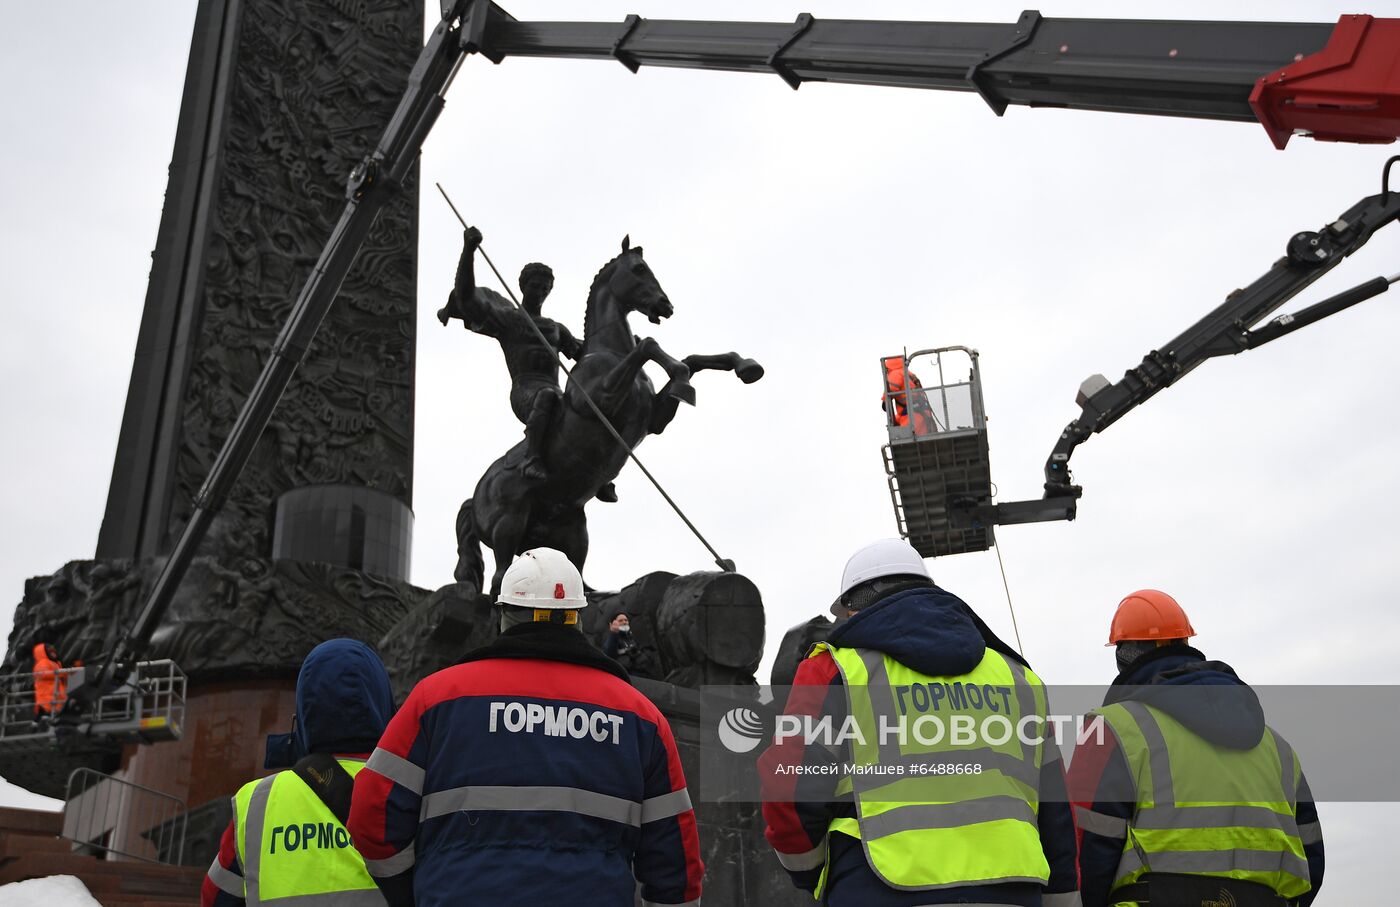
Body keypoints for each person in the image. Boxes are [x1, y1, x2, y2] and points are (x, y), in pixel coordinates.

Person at [349, 547, 703, 907]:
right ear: (577, 618)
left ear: (503, 616)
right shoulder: (641, 717)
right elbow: (677, 867)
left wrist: (408, 893)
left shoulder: (437, 699)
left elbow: (372, 817)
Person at [759, 539, 1079, 906]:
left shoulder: (834, 670)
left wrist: (813, 871)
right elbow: (1056, 816)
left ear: (850, 611)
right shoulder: (1019, 678)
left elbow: (789, 788)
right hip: (1012, 893)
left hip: (875, 890)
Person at [1068, 590, 1324, 907]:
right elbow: (1311, 855)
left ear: (1127, 655)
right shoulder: (1277, 748)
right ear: (1186, 644)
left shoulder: (1113, 729)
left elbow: (1085, 848)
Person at [202, 639, 395, 907]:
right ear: (384, 703)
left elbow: (214, 899)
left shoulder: (256, 802)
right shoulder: (410, 791)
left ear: (304, 714)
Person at [439, 227, 616, 500]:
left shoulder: (556, 329)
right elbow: (466, 297)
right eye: (535, 286)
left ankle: (597, 472)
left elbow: (586, 354)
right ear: (523, 287)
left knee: (590, 408)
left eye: (545, 289)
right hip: (527, 390)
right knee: (548, 397)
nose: (540, 292)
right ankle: (531, 458)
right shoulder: (509, 320)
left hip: (557, 392)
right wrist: (469, 250)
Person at [880, 356, 934, 436]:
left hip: (912, 417)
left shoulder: (895, 373)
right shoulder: (909, 374)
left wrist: (885, 401)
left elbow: (891, 388)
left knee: (908, 438)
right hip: (923, 414)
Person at [31, 642, 67, 719]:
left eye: (54, 651)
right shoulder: (42, 663)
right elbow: (43, 674)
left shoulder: (57, 664)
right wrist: (62, 673)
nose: (53, 653)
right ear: (43, 652)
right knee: (45, 720)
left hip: (54, 699)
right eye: (50, 651)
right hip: (46, 700)